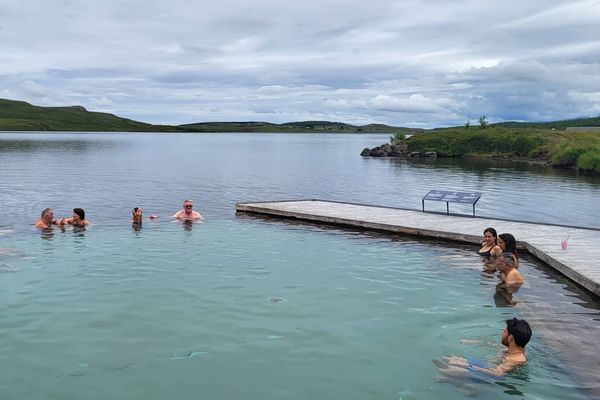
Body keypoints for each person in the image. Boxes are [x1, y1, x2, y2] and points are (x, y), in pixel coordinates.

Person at [436, 318, 532, 379]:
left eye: (504, 332)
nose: (502, 334)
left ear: (510, 338)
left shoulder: (515, 359)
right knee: (452, 359)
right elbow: (491, 344)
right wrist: (472, 342)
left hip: (490, 375)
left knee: (449, 370)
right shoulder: (512, 349)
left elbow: (497, 373)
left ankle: (448, 377)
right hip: (487, 365)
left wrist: (473, 368)